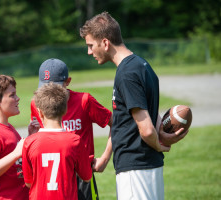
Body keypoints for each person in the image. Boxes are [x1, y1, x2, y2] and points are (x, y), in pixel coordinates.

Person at [80, 11, 189, 200]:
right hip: (146, 166)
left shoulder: (127, 73)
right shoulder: (142, 65)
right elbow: (129, 119)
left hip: (136, 168)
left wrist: (159, 145)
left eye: (91, 46)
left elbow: (146, 130)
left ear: (105, 43)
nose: (89, 52)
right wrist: (105, 158)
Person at [30, 58, 113, 200]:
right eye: (45, 86)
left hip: (82, 175)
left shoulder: (84, 101)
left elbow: (116, 123)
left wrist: (105, 158)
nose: (49, 92)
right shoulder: (37, 103)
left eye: (55, 86)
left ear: (67, 82)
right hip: (52, 176)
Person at [22, 82, 92, 200]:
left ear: (40, 112)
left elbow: (29, 183)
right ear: (65, 110)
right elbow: (86, 176)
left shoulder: (29, 143)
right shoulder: (75, 141)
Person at [0, 75, 39, 200]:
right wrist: (16, 153)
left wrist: (30, 138)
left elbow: (15, 162)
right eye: (12, 95)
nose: (17, 98)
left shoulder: (7, 126)